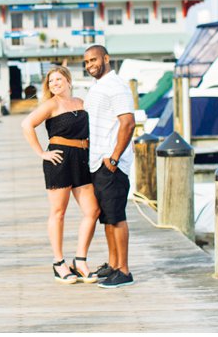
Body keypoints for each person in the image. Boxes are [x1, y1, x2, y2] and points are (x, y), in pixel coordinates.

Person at [21, 66, 101, 284]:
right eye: (50, 81)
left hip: (83, 158)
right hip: (60, 159)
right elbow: (27, 124)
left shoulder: (81, 102)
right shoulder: (51, 105)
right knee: (58, 212)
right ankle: (59, 263)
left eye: (58, 79)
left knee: (92, 210)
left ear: (68, 80)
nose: (54, 83)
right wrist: (41, 153)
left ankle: (80, 260)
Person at [83, 45, 136, 288]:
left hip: (111, 163)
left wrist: (114, 157)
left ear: (106, 58)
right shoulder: (98, 87)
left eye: (93, 59)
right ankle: (113, 264)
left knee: (116, 217)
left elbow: (128, 123)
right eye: (86, 62)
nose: (90, 65)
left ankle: (124, 270)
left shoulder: (116, 86)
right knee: (107, 217)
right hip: (97, 162)